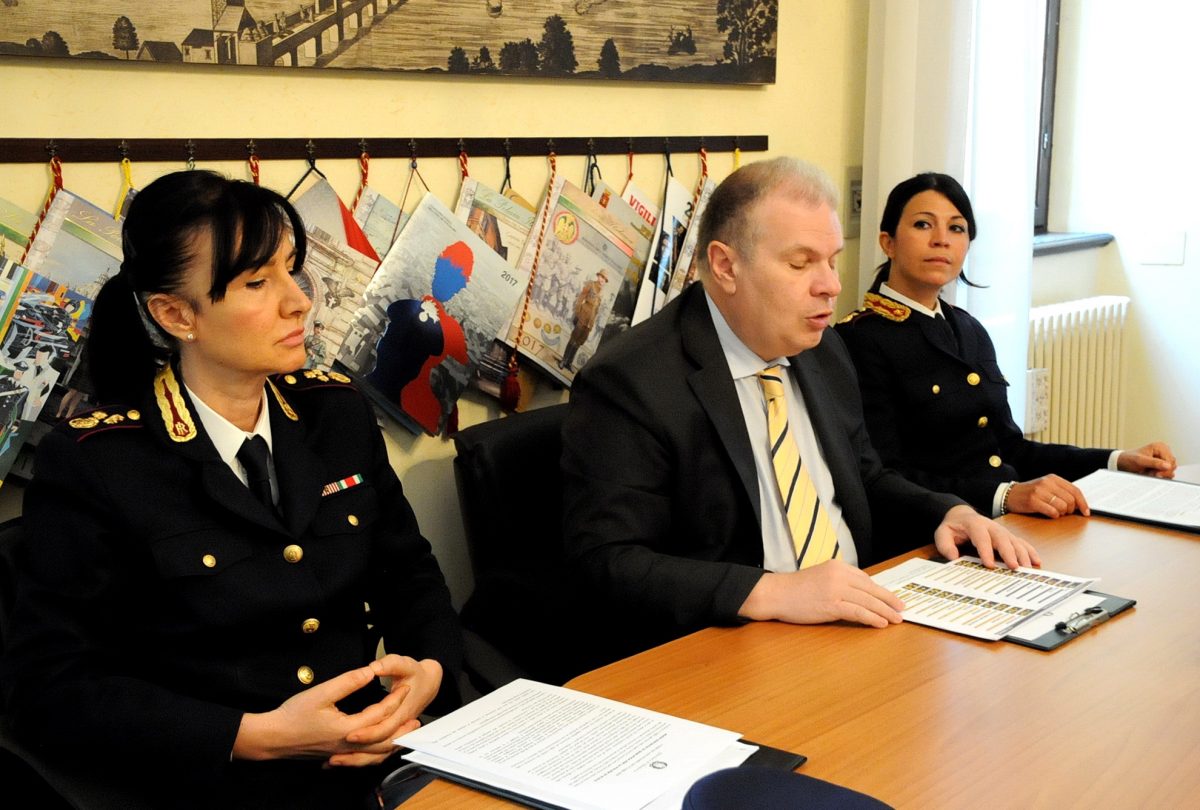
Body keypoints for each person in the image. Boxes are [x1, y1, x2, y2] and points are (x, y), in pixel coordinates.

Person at [1, 170, 463, 809]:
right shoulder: (97, 460)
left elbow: (408, 573)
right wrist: (255, 737)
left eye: (291, 270)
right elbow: (53, 688)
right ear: (175, 314)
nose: (299, 301)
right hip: (212, 788)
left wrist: (426, 677)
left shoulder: (335, 413)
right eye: (256, 283)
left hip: (373, 766)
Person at [561, 157, 1039, 655]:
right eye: (800, 263)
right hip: (733, 647)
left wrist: (947, 511)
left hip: (857, 626)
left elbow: (864, 477)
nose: (830, 285)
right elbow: (608, 561)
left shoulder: (824, 348)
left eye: (831, 260)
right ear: (725, 266)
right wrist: (773, 592)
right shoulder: (633, 381)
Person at [835, 172, 1175, 519]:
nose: (941, 240)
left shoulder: (968, 329)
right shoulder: (860, 339)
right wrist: (1005, 495)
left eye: (956, 228)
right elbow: (882, 476)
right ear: (888, 242)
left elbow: (1011, 449)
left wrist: (1116, 461)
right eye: (923, 225)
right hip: (936, 529)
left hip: (1005, 520)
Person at [560, 269, 607, 372]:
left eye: (605, 279)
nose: (602, 280)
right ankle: (564, 360)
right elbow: (581, 298)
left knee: (579, 342)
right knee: (574, 338)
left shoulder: (602, 293)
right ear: (598, 276)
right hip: (583, 315)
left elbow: (597, 309)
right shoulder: (591, 284)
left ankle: (569, 363)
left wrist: (592, 324)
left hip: (590, 321)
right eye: (601, 277)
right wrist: (577, 312)